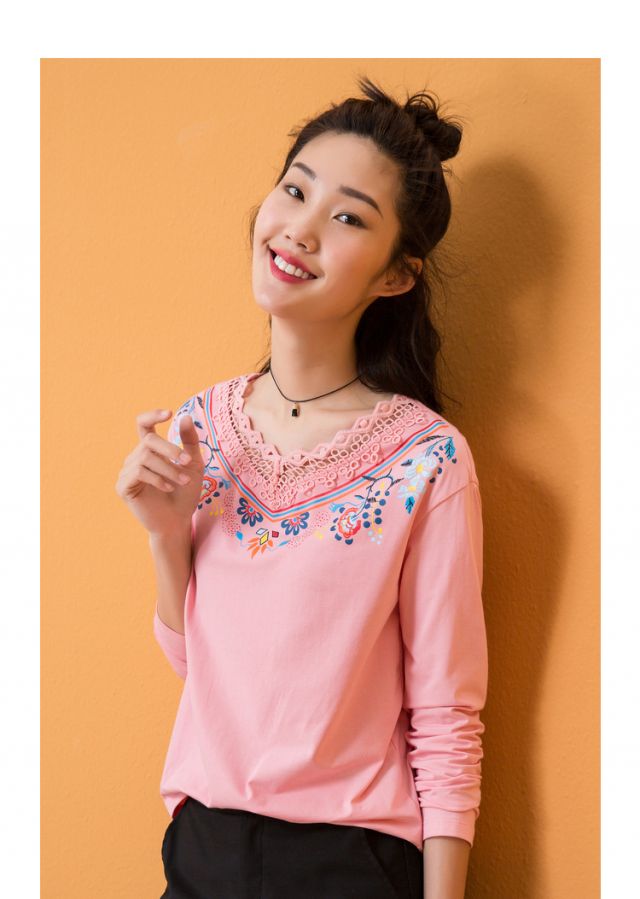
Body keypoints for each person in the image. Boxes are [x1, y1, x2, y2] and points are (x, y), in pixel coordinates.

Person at [116, 75, 489, 899]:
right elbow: (200, 669)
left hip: (350, 864)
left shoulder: (426, 459)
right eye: (296, 190)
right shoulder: (200, 427)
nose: (301, 228)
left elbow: (446, 718)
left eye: (349, 217)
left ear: (396, 276)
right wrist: (166, 537)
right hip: (203, 849)